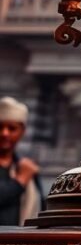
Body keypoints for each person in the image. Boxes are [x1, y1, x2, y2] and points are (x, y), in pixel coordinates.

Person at [0, 96, 42, 225]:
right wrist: (20, 181)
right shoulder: (25, 172)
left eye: (11, 128)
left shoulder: (27, 167)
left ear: (22, 132)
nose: (4, 133)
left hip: (19, 241)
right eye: (0, 127)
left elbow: (42, 206)